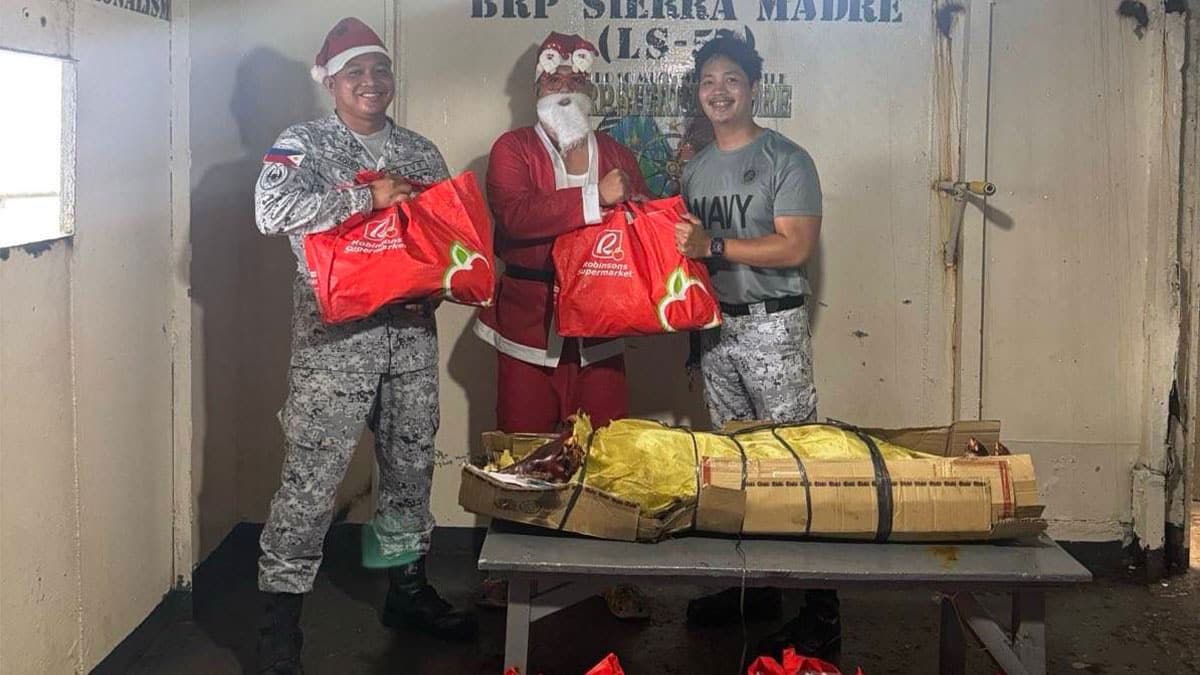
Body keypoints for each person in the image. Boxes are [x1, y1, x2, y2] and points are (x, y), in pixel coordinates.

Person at [252, 17, 475, 674]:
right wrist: (363, 195)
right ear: (331, 80)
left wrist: (441, 281)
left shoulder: (421, 152)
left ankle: (405, 592)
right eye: (356, 72)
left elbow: (442, 239)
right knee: (311, 485)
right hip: (333, 349)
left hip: (408, 344)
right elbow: (271, 211)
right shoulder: (303, 144)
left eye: (379, 69)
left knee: (408, 474)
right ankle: (278, 625)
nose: (371, 82)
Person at [472, 31, 652, 619]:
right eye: (555, 77)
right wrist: (595, 199)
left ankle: (610, 572)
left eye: (577, 78)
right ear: (536, 88)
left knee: (607, 450)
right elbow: (515, 217)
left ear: (592, 86)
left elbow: (639, 227)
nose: (566, 84)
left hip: (599, 328)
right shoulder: (511, 148)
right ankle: (510, 571)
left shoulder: (621, 155)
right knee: (521, 449)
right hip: (528, 325)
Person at [673, 36, 838, 661]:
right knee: (739, 464)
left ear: (753, 88)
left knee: (797, 463)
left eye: (732, 79)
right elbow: (679, 255)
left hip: (773, 326)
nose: (719, 91)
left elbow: (794, 247)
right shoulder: (694, 168)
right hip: (715, 328)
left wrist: (712, 246)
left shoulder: (786, 158)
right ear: (698, 90)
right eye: (709, 80)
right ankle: (758, 590)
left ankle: (822, 609)